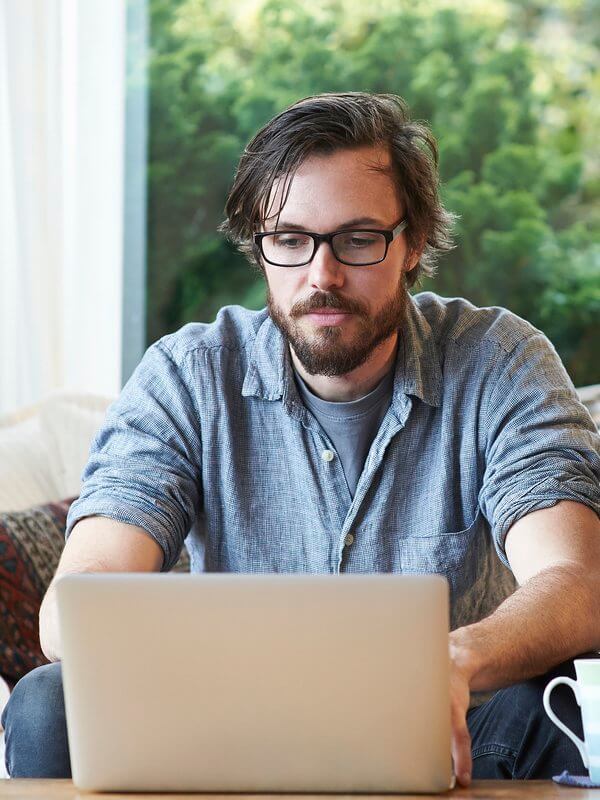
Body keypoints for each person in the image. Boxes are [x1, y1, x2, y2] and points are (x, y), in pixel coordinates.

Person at [3, 92, 600, 783]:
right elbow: (86, 592)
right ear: (259, 250)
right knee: (50, 701)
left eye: (357, 239)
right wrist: (100, 631)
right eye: (290, 240)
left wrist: (452, 661)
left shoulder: (500, 361)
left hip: (461, 739)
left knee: (557, 704)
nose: (322, 276)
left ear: (413, 244)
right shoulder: (188, 376)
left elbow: (576, 582)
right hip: (224, 734)